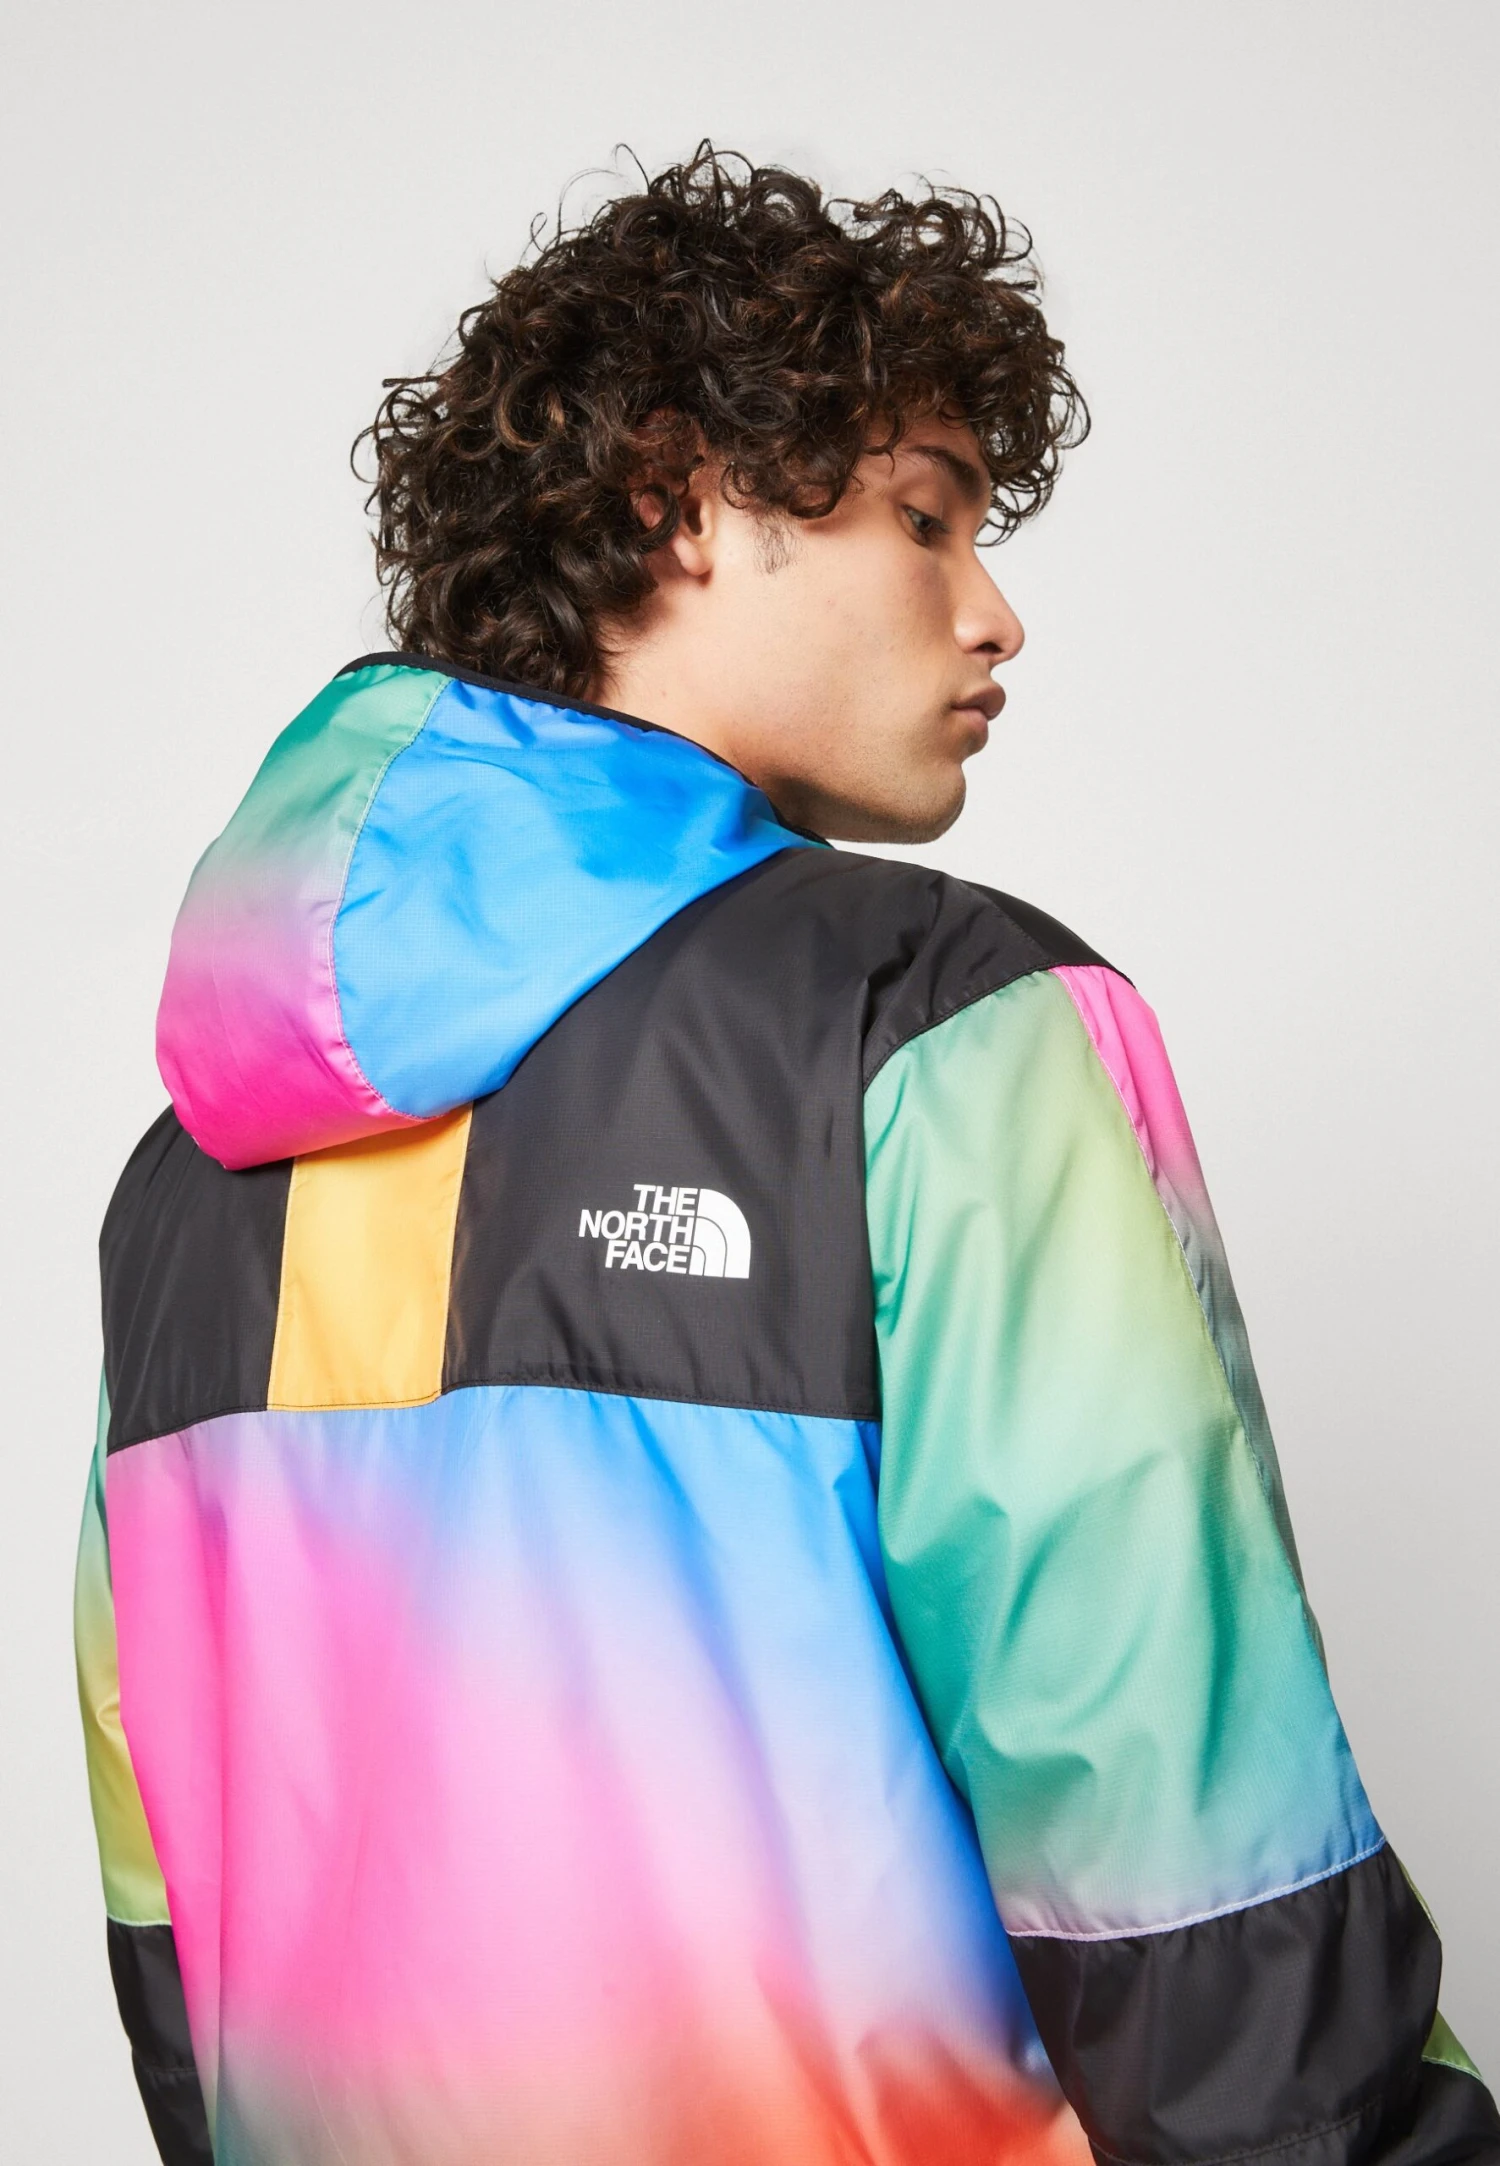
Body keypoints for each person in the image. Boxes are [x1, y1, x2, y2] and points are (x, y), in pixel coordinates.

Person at [76, 147, 1497, 2166]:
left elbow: (173, 1924)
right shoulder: (934, 1028)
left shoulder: (185, 1174)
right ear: (678, 497)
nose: (994, 612)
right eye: (926, 517)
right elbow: (1191, 1878)